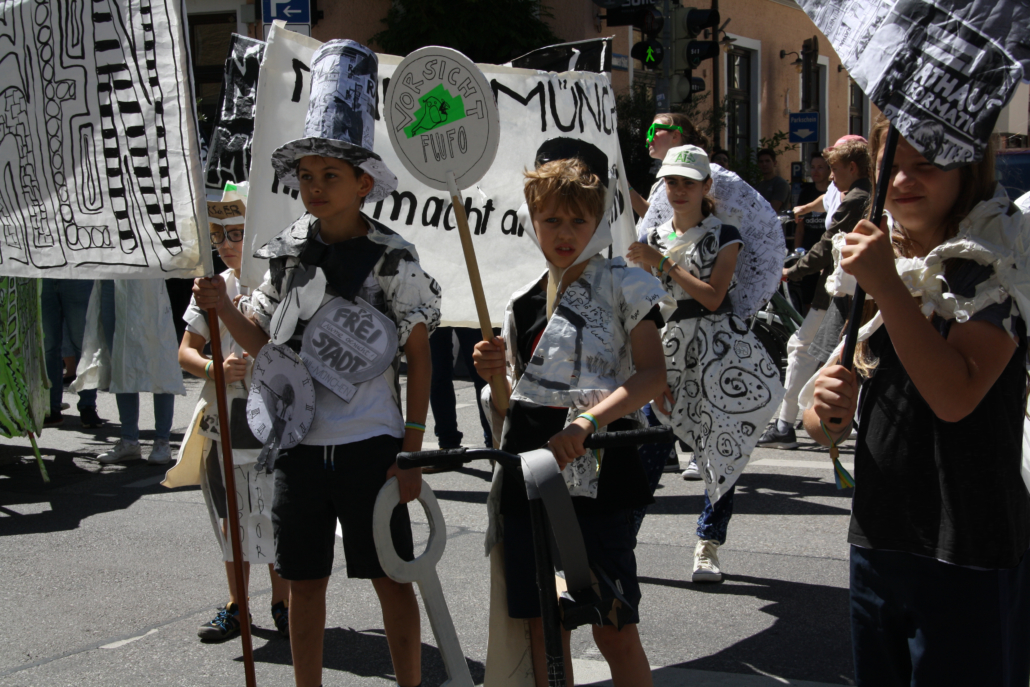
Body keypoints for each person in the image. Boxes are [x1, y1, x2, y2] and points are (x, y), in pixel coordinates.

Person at [192, 40, 437, 687]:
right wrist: (221, 308)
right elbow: (267, 342)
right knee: (304, 586)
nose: (315, 187)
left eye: (330, 175)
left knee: (391, 580)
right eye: (306, 176)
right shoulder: (286, 252)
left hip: (372, 447)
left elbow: (418, 352)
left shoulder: (393, 257)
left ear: (363, 181)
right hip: (298, 447)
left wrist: (411, 446)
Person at [804, 116, 1030, 686]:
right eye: (891, 166)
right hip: (879, 535)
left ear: (968, 171)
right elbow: (826, 416)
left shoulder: (995, 260)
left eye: (925, 166)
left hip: (971, 541)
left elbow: (956, 395)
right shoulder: (872, 257)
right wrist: (823, 413)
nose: (903, 180)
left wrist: (885, 285)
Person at [474, 139, 669, 687]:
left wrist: (588, 421)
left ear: (600, 219)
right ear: (532, 220)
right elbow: (512, 405)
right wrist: (494, 377)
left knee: (613, 626)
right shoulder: (520, 303)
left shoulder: (626, 284)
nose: (564, 234)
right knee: (543, 625)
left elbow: (653, 374)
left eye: (577, 221)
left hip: (601, 476)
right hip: (529, 474)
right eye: (551, 219)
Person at [628, 145, 784, 583]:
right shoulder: (651, 237)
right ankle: (623, 541)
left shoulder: (726, 235)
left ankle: (708, 545)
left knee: (720, 449)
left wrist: (662, 264)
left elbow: (714, 297)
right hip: (666, 350)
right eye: (671, 182)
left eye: (687, 183)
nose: (678, 191)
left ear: (705, 187)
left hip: (719, 352)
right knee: (649, 449)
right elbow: (644, 307)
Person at [164, 186, 290, 643]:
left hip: (275, 422)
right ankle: (238, 604)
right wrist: (216, 368)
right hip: (225, 420)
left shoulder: (282, 282)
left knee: (276, 512)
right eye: (218, 235)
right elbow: (186, 352)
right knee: (230, 514)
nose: (227, 243)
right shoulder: (211, 286)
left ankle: (284, 603)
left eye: (236, 232)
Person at [759, 136, 871, 449]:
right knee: (810, 351)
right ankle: (789, 422)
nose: (831, 176)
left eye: (834, 169)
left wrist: (791, 271)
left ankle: (787, 424)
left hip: (838, 290)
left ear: (851, 167)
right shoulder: (858, 194)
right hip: (844, 290)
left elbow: (826, 248)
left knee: (805, 351)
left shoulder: (855, 199)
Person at [73, 275, 184, 465]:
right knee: (120, 360)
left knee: (161, 362)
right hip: (110, 279)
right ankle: (129, 440)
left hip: (146, 281)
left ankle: (162, 441)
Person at [40, 279, 104, 428]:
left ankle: (88, 406)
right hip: (42, 275)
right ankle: (51, 408)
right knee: (48, 347)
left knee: (84, 344)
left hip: (76, 274)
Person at [429, 326, 492, 449]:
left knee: (483, 373)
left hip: (469, 308)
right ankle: (447, 445)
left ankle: (494, 444)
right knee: (436, 374)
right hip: (434, 308)